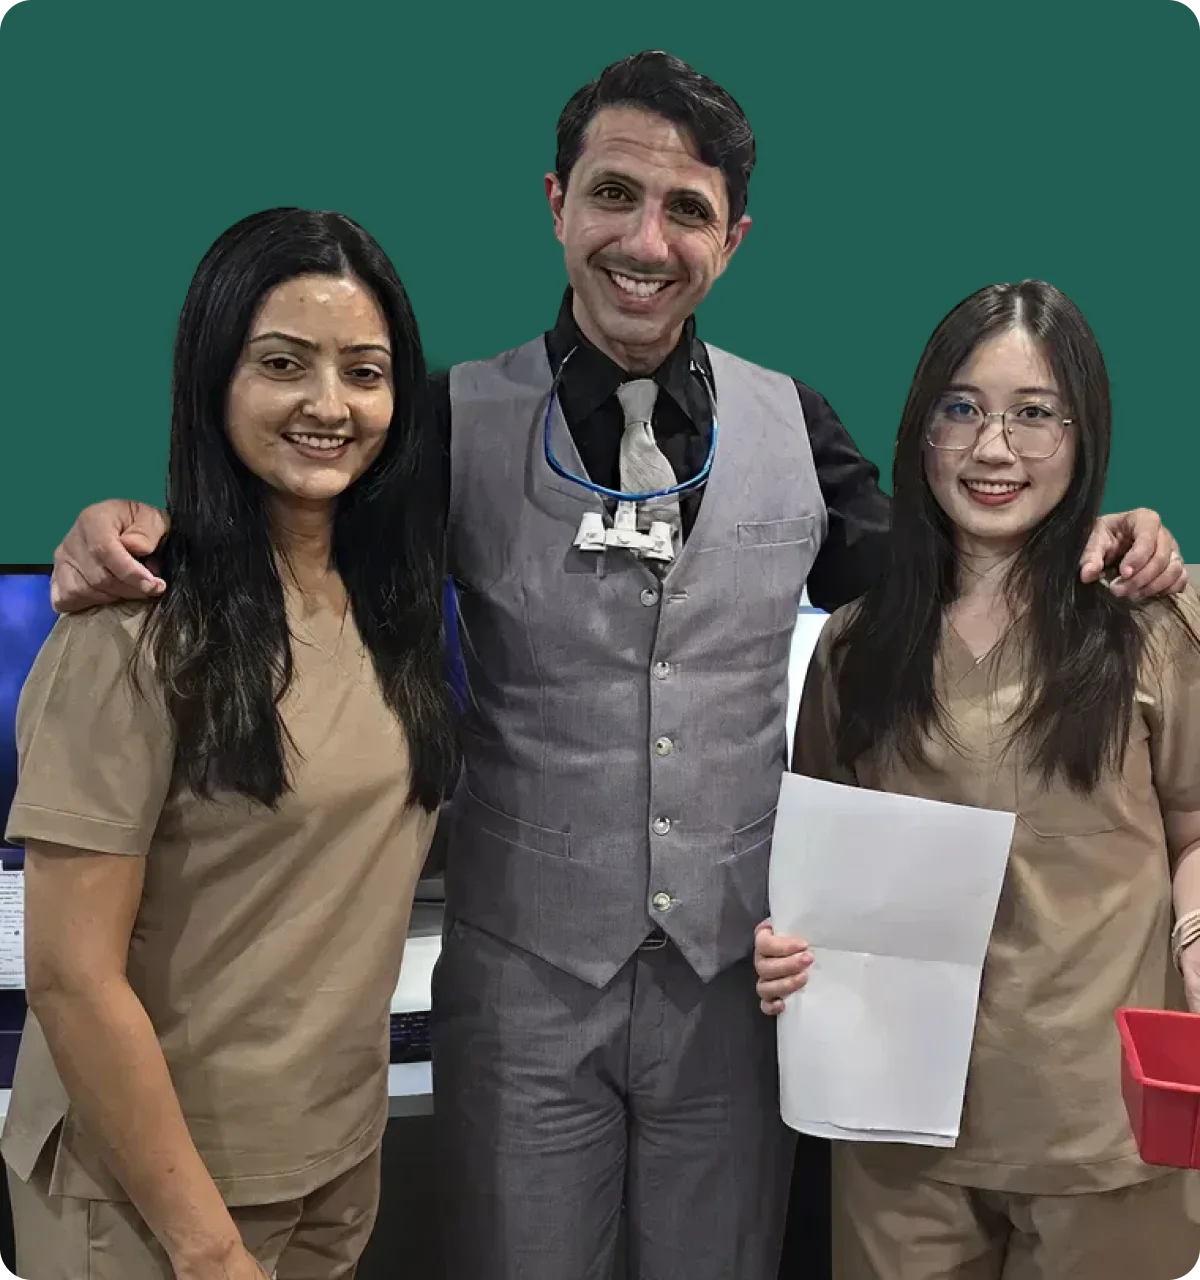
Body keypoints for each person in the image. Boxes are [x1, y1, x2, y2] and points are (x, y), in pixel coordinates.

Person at [46, 55, 1187, 1280]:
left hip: (730, 994)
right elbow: (291, 517)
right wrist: (125, 519)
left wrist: (1114, 538)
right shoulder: (441, 419)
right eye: (612, 195)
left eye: (686, 209)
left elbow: (951, 571)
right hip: (523, 985)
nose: (645, 240)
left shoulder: (798, 425)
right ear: (556, 202)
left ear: (732, 238)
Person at [3, 208, 458, 1278]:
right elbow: (69, 974)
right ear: (214, 378)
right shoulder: (135, 626)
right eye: (283, 364)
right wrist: (208, 1249)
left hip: (331, 1167)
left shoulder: (385, 611)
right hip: (155, 1204)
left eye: (365, 370)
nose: (328, 404)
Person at [755, 279, 1200, 1280]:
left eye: (1035, 415)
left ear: (1084, 438)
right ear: (919, 431)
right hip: (896, 1132)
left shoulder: (1152, 624)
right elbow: (818, 859)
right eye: (961, 409)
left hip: (1099, 1126)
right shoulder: (859, 646)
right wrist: (784, 944)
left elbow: (1193, 819)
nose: (994, 449)